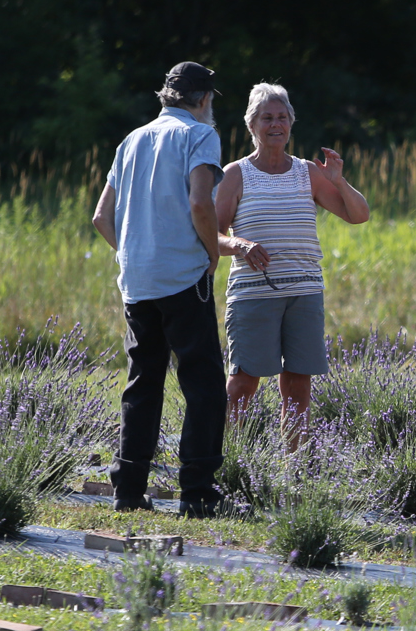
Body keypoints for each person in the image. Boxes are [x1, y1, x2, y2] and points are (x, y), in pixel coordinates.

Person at [90, 61, 231, 515]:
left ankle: (128, 489)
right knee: (204, 382)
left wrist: (131, 251)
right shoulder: (199, 136)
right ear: (204, 99)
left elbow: (100, 217)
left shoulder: (130, 140)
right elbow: (200, 202)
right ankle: (198, 491)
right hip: (182, 275)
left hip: (137, 279)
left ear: (166, 95)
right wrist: (211, 254)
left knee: (143, 383)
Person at [213, 82, 370, 442]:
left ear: (291, 123)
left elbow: (359, 215)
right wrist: (239, 245)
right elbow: (212, 236)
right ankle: (226, 465)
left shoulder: (307, 172)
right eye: (267, 118)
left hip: (304, 292)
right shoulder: (235, 173)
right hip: (252, 295)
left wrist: (338, 181)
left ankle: (294, 471)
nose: (275, 125)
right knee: (242, 384)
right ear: (252, 124)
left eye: (282, 117)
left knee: (298, 386)